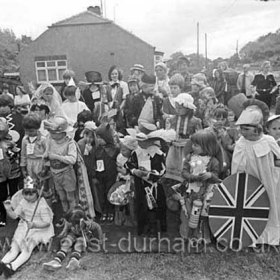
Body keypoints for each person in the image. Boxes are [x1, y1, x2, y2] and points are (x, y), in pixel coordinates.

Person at [232, 101, 280, 245]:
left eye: (246, 129)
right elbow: (237, 163)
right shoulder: (241, 142)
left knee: (268, 202)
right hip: (248, 180)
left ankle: (268, 233)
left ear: (257, 128)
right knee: (249, 205)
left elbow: (278, 157)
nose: (242, 132)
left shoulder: (269, 140)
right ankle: (251, 234)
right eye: (241, 129)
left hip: (267, 180)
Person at [0, 176, 54, 278]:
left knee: (26, 248)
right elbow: (15, 215)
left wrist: (34, 225)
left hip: (39, 228)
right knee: (15, 246)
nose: (28, 197)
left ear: (37, 192)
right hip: (25, 225)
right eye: (25, 193)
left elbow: (47, 222)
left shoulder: (41, 205)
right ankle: (3, 263)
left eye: (31, 194)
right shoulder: (23, 201)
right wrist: (8, 209)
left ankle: (12, 267)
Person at [179, 130, 222, 242]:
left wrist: (210, 175)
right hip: (191, 191)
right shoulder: (189, 158)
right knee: (188, 212)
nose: (193, 147)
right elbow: (184, 172)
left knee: (202, 214)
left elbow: (216, 177)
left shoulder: (213, 161)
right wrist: (193, 177)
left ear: (207, 146)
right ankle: (187, 235)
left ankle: (202, 236)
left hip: (205, 193)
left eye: (196, 145)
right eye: (193, 144)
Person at [125, 128, 167, 236]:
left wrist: (150, 174)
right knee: (142, 205)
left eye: (142, 141)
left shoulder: (157, 153)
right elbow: (129, 165)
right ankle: (143, 227)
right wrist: (136, 171)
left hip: (154, 185)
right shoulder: (136, 152)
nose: (140, 143)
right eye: (138, 141)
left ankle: (154, 228)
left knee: (154, 205)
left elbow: (162, 169)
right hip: (141, 184)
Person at [43, 205, 102, 271]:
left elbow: (98, 227)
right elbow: (67, 227)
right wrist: (62, 234)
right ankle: (56, 261)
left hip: (84, 236)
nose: (70, 223)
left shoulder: (87, 223)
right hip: (73, 234)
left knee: (78, 245)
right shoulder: (70, 221)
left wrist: (100, 238)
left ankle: (74, 261)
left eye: (72, 223)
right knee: (66, 243)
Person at [43, 116, 78, 214]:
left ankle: (73, 216)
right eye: (50, 132)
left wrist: (56, 157)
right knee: (62, 197)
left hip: (67, 173)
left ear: (63, 132)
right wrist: (46, 156)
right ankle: (66, 214)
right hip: (55, 173)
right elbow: (47, 152)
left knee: (70, 197)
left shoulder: (70, 142)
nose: (51, 135)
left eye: (54, 133)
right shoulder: (49, 139)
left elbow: (72, 159)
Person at [109, 135, 138, 226]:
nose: (122, 152)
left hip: (131, 181)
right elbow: (119, 169)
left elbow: (132, 171)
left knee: (131, 201)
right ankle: (120, 219)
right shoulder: (120, 157)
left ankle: (133, 219)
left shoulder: (134, 158)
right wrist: (121, 172)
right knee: (120, 200)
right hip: (122, 180)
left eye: (124, 150)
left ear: (131, 150)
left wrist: (126, 172)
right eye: (121, 149)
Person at [93, 123, 119, 222]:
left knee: (110, 193)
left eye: (100, 138)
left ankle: (111, 211)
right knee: (102, 194)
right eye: (97, 138)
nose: (98, 140)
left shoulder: (115, 149)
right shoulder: (97, 149)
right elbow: (94, 163)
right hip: (100, 176)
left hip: (111, 176)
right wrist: (94, 176)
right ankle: (104, 211)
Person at [0, 117, 21, 227]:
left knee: (15, 193)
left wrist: (13, 153)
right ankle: (2, 215)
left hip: (13, 171)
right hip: (0, 174)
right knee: (1, 195)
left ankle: (17, 213)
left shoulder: (10, 142)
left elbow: (17, 152)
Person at [20, 113, 47, 185]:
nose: (29, 133)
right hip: (29, 163)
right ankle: (30, 195)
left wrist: (46, 167)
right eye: (26, 131)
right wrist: (23, 168)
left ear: (37, 128)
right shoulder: (25, 139)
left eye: (31, 131)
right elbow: (23, 154)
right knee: (29, 183)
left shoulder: (43, 139)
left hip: (40, 162)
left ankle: (41, 195)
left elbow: (47, 153)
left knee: (42, 183)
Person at [106, 65, 128, 134]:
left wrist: (119, 109)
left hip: (120, 109)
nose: (114, 75)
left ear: (118, 74)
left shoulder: (123, 84)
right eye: (112, 74)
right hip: (110, 109)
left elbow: (125, 99)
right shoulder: (107, 85)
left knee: (119, 127)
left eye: (116, 74)